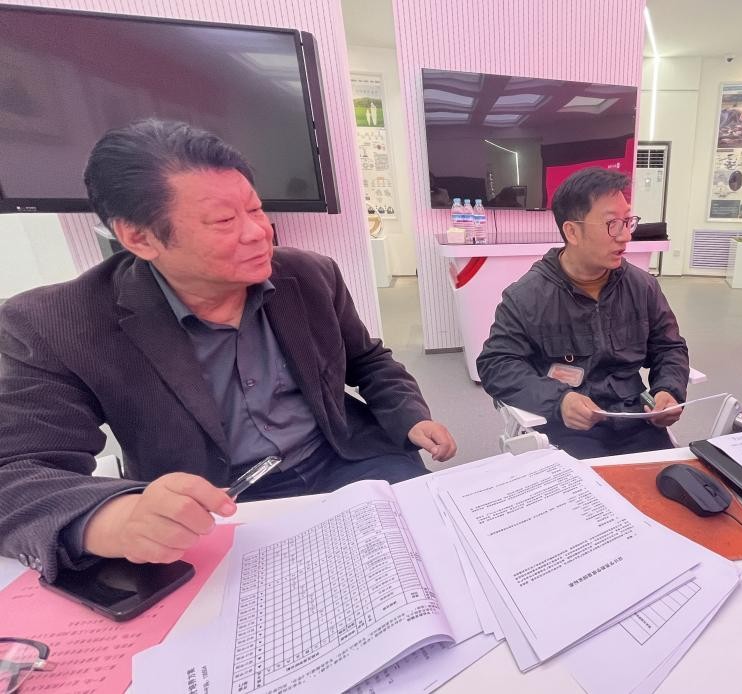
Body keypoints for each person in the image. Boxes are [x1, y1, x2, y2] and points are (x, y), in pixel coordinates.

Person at [0, 119, 456, 582]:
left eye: (256, 210)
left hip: (346, 458)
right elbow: (13, 472)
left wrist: (408, 415)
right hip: (218, 502)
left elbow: (367, 360)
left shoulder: (310, 275)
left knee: (444, 560)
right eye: (223, 221)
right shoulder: (56, 324)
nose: (258, 233)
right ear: (139, 237)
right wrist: (115, 519)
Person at [477, 167, 689, 459]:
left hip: (635, 417)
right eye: (612, 224)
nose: (625, 236)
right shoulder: (527, 297)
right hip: (568, 426)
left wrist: (669, 390)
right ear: (572, 232)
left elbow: (669, 347)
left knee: (670, 480)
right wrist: (558, 401)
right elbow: (496, 365)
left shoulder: (642, 287)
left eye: (628, 221)